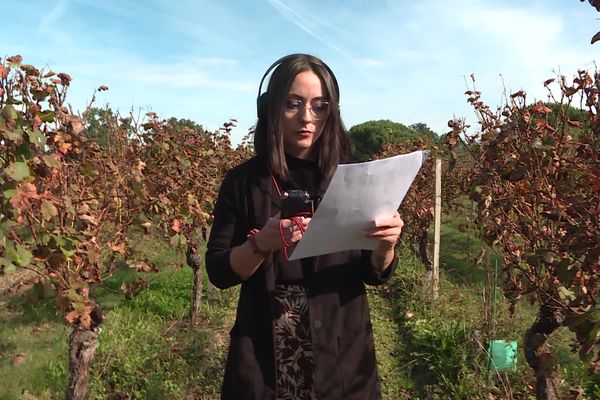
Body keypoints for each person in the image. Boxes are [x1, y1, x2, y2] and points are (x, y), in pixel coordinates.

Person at [206, 53, 404, 400]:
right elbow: (219, 271)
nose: (307, 118)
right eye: (293, 104)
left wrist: (386, 246)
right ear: (270, 109)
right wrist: (259, 246)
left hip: (342, 350)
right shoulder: (243, 182)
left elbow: (373, 274)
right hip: (266, 347)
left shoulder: (355, 175)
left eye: (320, 106)